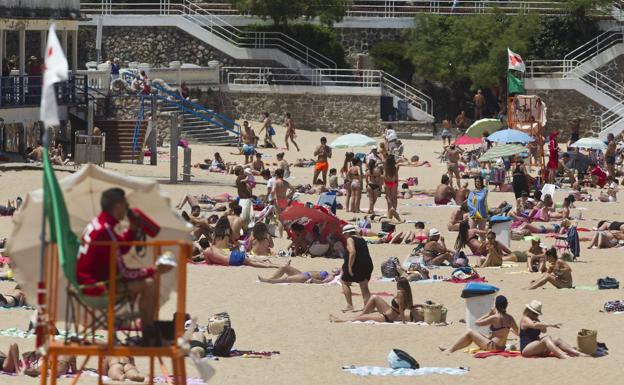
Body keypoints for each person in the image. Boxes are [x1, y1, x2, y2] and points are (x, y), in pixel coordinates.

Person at [76, 188, 173, 346]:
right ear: (118, 206)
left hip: (88, 283)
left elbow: (120, 248)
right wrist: (154, 270)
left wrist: (132, 231)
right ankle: (149, 335)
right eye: (125, 204)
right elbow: (125, 273)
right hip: (96, 287)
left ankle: (136, 327)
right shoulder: (105, 231)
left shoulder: (98, 224)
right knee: (149, 283)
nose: (127, 207)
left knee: (143, 282)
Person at [439, 295, 518, 354]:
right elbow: (518, 332)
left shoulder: (494, 317)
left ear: (496, 305)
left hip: (493, 347)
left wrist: (488, 314)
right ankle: (451, 348)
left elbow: (477, 323)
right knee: (470, 336)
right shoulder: (510, 318)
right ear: (506, 304)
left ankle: (450, 350)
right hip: (501, 347)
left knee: (470, 332)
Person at [520, 300, 587, 359]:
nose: (535, 315)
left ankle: (578, 353)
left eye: (536, 314)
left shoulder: (536, 320)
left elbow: (544, 331)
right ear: (528, 311)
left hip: (537, 349)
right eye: (534, 313)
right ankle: (562, 355)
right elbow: (534, 325)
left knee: (557, 340)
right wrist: (550, 325)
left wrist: (540, 324)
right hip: (526, 350)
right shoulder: (525, 319)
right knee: (546, 338)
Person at [201, 217, 278, 268]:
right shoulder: (214, 248)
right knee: (252, 261)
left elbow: (209, 263)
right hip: (233, 254)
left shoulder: (207, 251)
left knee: (253, 263)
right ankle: (268, 263)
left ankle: (272, 266)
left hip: (233, 260)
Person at [330, 277, 413, 323]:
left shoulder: (400, 293)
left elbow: (401, 309)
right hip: (389, 312)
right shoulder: (407, 294)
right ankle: (361, 314)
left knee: (361, 318)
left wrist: (403, 321)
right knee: (374, 297)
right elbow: (405, 307)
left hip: (386, 317)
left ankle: (340, 320)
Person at [340, 224, 373, 312]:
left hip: (356, 265)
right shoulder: (361, 239)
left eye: (344, 234)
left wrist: (349, 267)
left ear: (347, 233)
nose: (344, 236)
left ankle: (349, 305)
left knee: (344, 282)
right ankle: (367, 307)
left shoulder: (350, 239)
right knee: (364, 286)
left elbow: (352, 252)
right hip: (367, 264)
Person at [259, 260, 338, 284]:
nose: (336, 268)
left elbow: (323, 282)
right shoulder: (329, 273)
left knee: (288, 278)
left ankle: (271, 281)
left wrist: (313, 280)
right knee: (284, 267)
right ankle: (271, 278)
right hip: (303, 273)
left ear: (338, 273)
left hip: (307, 277)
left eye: (338, 269)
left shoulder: (331, 277)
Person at [234, 165, 254, 230]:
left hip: (241, 198)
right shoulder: (242, 177)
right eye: (242, 170)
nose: (243, 171)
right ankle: (245, 229)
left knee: (242, 214)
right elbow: (247, 180)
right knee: (247, 216)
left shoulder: (237, 179)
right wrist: (249, 175)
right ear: (239, 171)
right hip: (246, 198)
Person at [384, 155, 402, 222]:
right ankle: (394, 209)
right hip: (394, 182)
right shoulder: (396, 166)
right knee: (394, 197)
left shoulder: (385, 166)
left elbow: (384, 176)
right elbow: (396, 175)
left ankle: (390, 209)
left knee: (388, 197)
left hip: (387, 182)